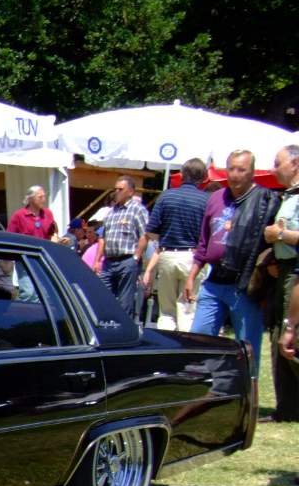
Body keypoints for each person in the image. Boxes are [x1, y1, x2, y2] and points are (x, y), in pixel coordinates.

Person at [189, 150, 279, 377]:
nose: (235, 174)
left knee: (247, 348)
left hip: (245, 284)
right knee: (199, 337)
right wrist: (192, 276)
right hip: (213, 281)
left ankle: (248, 396)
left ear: (252, 172)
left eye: (242, 169)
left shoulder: (265, 200)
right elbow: (203, 242)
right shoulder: (215, 198)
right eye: (231, 168)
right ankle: (201, 388)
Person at [141, 158, 210, 331]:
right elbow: (208, 234)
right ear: (203, 178)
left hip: (167, 254)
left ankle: (166, 349)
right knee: (187, 310)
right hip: (192, 257)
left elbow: (151, 231)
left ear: (182, 175)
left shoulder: (166, 196)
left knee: (166, 312)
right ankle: (186, 351)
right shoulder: (206, 201)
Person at [262, 144, 299, 419]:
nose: (274, 169)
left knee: (291, 336)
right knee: (279, 335)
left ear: (295, 164)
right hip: (284, 270)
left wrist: (279, 235)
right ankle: (287, 407)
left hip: (295, 273)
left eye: (278, 163)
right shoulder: (286, 196)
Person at [97, 175, 150, 319]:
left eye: (120, 189)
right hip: (109, 261)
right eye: (115, 189)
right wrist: (98, 260)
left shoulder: (137, 210)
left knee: (124, 302)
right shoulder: (112, 212)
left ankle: (122, 331)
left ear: (130, 192)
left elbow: (145, 235)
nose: (116, 192)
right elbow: (103, 237)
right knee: (103, 298)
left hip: (127, 260)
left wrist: (136, 257)